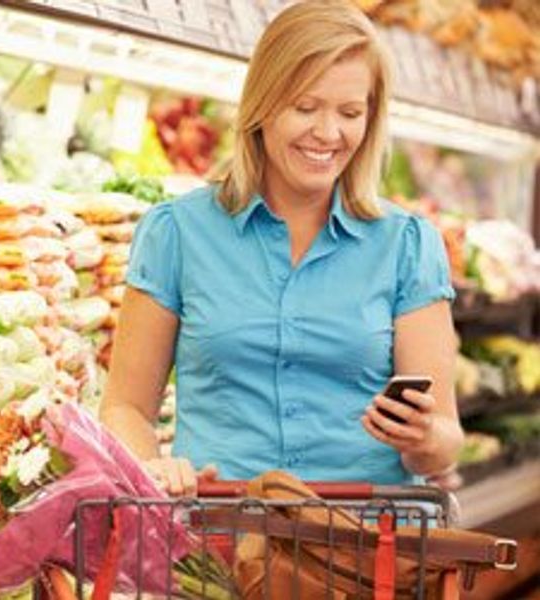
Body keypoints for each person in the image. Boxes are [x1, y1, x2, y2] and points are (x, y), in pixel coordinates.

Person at [100, 0, 464, 496]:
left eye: (350, 112)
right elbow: (125, 407)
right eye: (306, 107)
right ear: (263, 105)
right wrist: (152, 465)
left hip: (366, 546)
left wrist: (423, 438)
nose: (328, 133)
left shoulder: (406, 244)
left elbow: (445, 438)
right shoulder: (177, 233)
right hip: (220, 538)